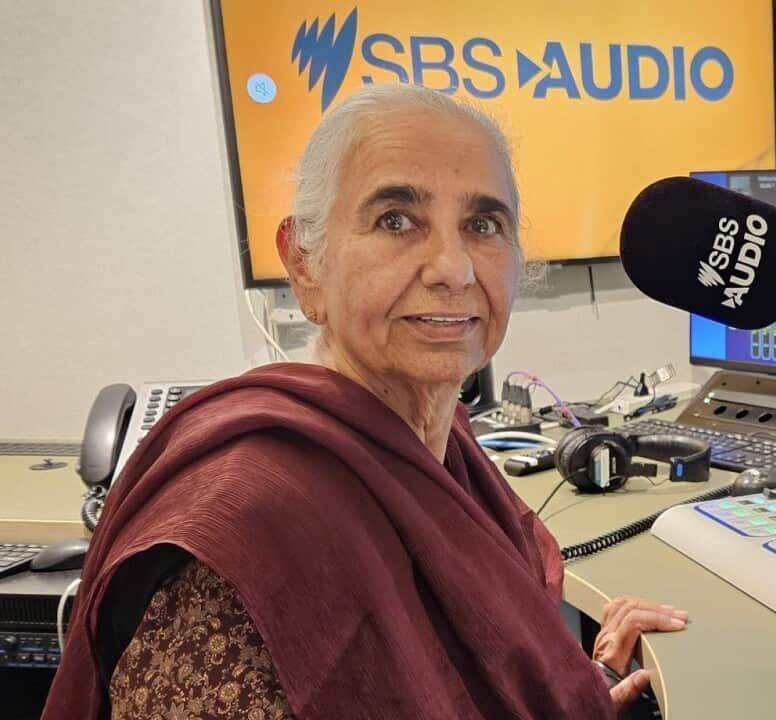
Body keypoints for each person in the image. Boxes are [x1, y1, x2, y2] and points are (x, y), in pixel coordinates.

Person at [43, 83, 687, 719]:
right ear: (304, 263)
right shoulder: (243, 531)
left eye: (483, 225)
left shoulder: (445, 450)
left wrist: (583, 689)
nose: (454, 269)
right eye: (396, 220)